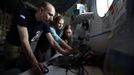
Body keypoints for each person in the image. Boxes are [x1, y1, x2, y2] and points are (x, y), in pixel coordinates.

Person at [4, 1, 71, 75]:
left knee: (21, 66)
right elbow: (24, 40)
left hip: (24, 46)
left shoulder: (44, 23)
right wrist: (35, 63)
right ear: (41, 10)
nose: (52, 19)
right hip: (13, 44)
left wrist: (64, 52)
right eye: (50, 14)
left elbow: (52, 41)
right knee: (10, 67)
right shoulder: (24, 13)